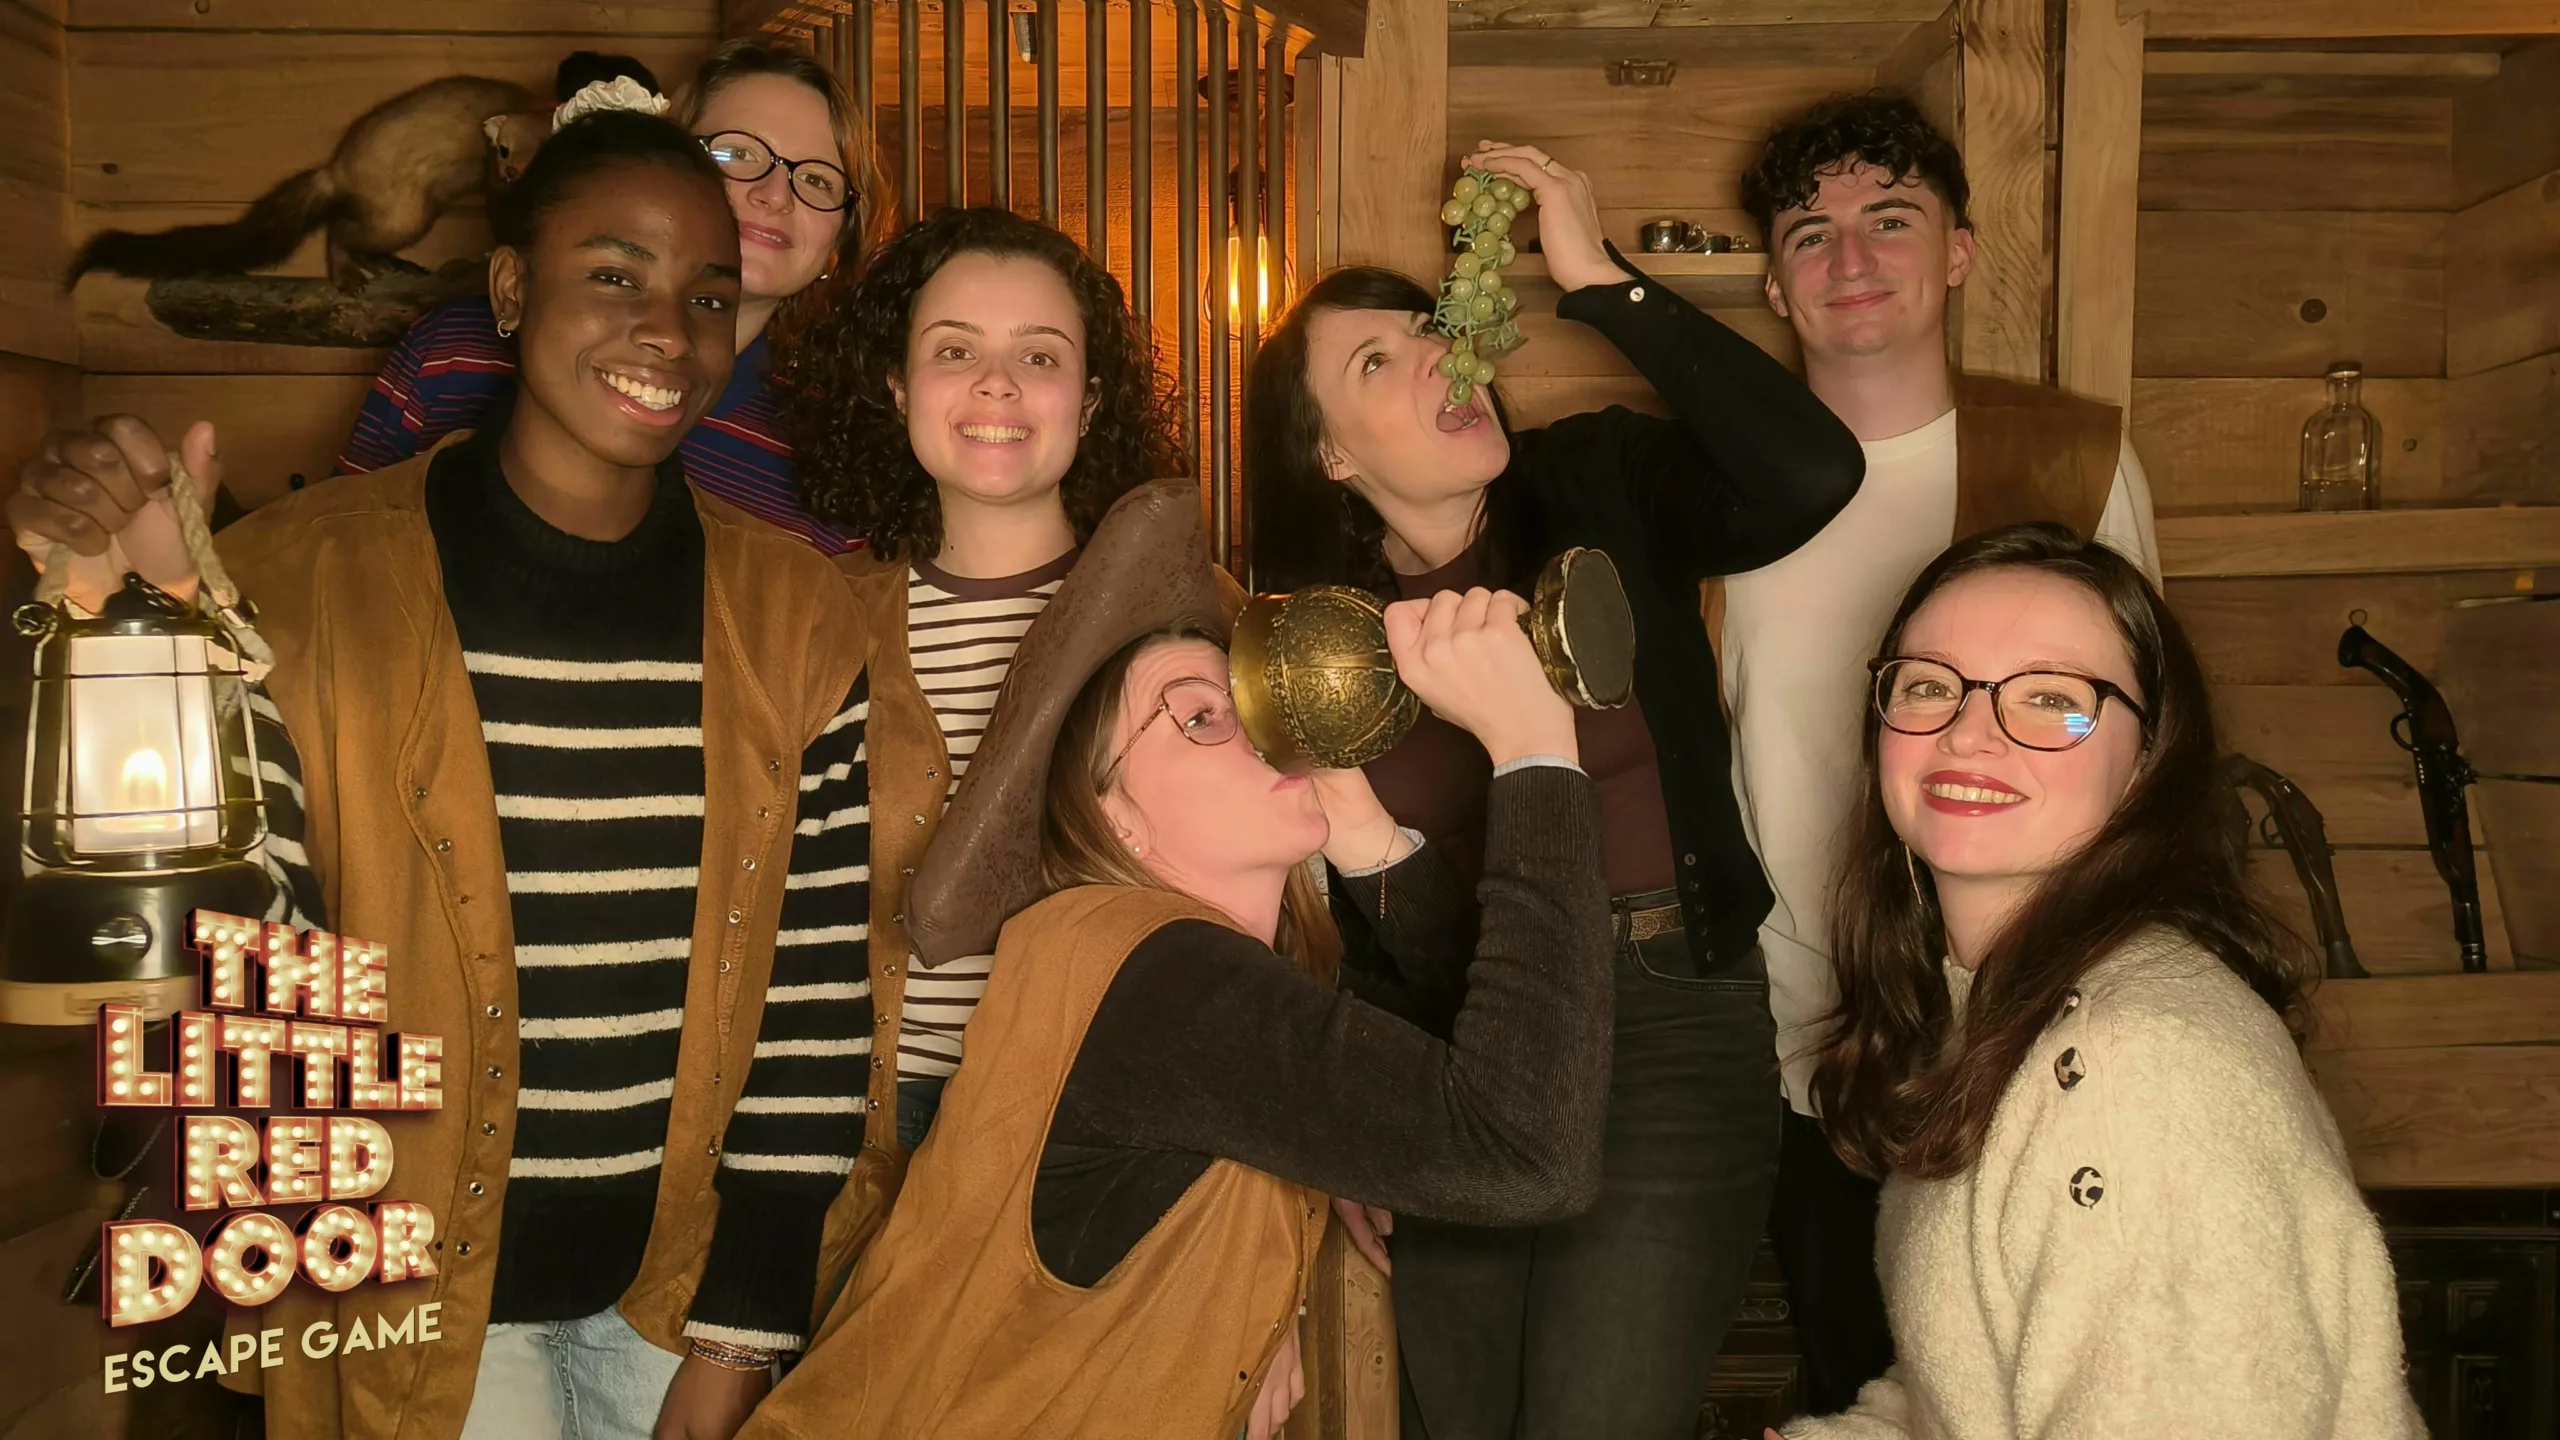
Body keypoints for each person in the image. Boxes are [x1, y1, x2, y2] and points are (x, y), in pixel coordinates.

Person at [11, 110, 877, 1440]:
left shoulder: (797, 616)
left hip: (673, 1302)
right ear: (513, 289)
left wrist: (740, 1330)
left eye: (708, 296)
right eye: (615, 275)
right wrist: (117, 619)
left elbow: (815, 1001)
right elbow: (204, 965)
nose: (668, 330)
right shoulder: (299, 580)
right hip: (402, 1310)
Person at [733, 478, 1614, 1440]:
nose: (1265, 732)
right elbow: (1529, 1150)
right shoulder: (1156, 976)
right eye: (1200, 717)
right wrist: (1533, 748)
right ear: (1113, 815)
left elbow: (1480, 1035)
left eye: (1256, 703)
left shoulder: (1150, 964)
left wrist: (1360, 828)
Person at [1245, 141, 1865, 1439]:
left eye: (1434, 330)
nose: (1440, 359)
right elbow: (1362, 936)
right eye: (1376, 363)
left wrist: (1598, 278)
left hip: (1672, 1025)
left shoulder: (1596, 484)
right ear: (1330, 456)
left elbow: (1811, 473)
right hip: (1456, 1054)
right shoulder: (1312, 647)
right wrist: (1360, 1110)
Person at [1773, 522, 2419, 1439]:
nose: (1968, 733)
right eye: (1928, 685)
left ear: (2148, 761)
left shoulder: (2130, 1066)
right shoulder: (2002, 1008)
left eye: (2051, 698)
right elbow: (1971, 1390)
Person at [1727, 92, 2163, 1408]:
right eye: (1811, 234)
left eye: (1891, 220)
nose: (1852, 259)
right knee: (1862, 1383)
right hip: (1804, 1042)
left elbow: (2143, 736)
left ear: (1959, 252)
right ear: (1775, 284)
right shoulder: (1714, 487)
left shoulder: (2069, 456)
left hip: (2028, 1020)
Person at [777, 204, 1182, 1161]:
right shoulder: (818, 618)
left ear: (1089, 402)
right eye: (954, 350)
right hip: (859, 1127)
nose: (997, 382)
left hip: (1103, 1129)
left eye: (1039, 356)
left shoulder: (1186, 609)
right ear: (897, 386)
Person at [336, 41, 886, 552]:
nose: (775, 194)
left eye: (817, 180)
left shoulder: (834, 450)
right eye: (736, 153)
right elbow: (340, 550)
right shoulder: (452, 352)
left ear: (838, 243)